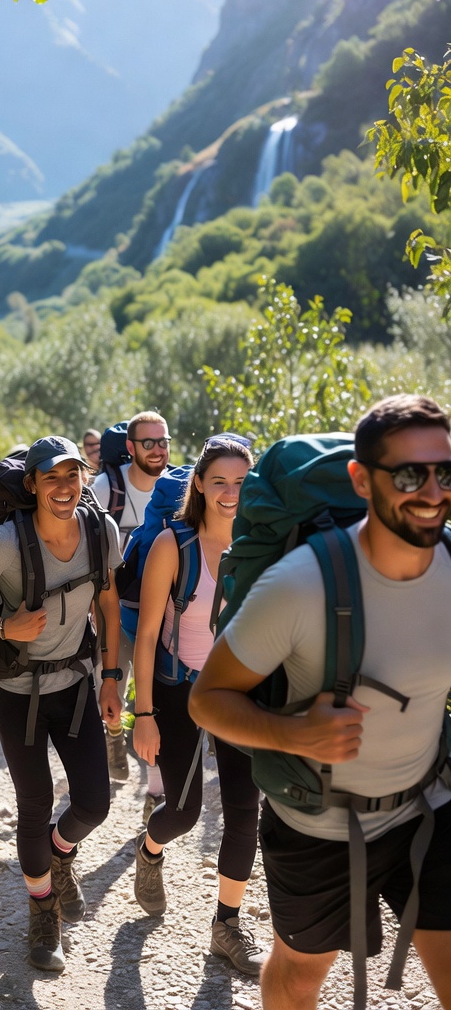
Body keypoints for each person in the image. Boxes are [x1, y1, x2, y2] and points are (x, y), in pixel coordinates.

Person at [190, 395, 451, 1010]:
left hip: (430, 805)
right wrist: (294, 735)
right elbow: (208, 700)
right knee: (301, 976)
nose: (433, 492)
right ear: (362, 480)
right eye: (410, 474)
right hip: (319, 822)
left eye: (446, 472)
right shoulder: (300, 584)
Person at [0, 436, 123, 975]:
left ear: (83, 480)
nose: (64, 487)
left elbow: (107, 602)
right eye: (52, 478)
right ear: (33, 485)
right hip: (19, 694)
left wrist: (112, 678)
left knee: (94, 804)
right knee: (35, 803)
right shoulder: (4, 543)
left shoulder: (99, 530)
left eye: (73, 476)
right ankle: (43, 913)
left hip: (80, 684)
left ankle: (61, 857)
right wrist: (2, 626)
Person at [132, 434, 268, 975]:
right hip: (178, 689)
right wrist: (141, 714)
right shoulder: (174, 544)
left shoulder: (262, 543)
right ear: (200, 485)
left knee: (243, 811)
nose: (230, 492)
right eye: (219, 481)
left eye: (240, 482)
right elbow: (145, 636)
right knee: (184, 812)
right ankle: (149, 848)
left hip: (240, 693)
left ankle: (226, 925)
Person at [93, 411, 172, 794]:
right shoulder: (108, 488)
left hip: (167, 614)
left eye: (163, 441)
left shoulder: (181, 487)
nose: (157, 450)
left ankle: (154, 795)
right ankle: (112, 734)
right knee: (113, 693)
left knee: (155, 703)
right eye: (148, 443)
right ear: (130, 447)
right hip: (117, 610)